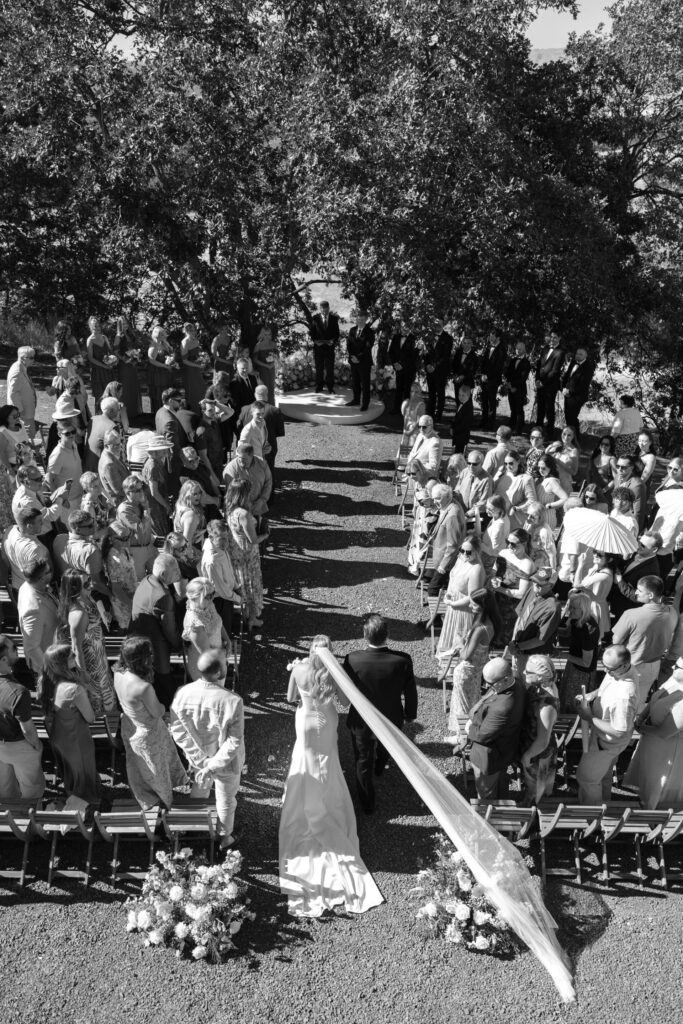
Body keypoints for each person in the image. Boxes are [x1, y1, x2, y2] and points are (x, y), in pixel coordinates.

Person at [280, 635, 384, 917]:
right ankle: (328, 792)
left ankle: (305, 789)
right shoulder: (332, 675)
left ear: (310, 651)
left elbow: (291, 698)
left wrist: (297, 672)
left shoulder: (300, 671)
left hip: (306, 722)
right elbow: (344, 700)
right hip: (328, 722)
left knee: (306, 755)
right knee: (328, 758)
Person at [170, 648, 245, 848]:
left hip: (198, 760)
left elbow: (177, 730)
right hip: (226, 764)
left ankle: (193, 824)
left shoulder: (182, 693)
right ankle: (224, 836)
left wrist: (201, 759)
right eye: (226, 664)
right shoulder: (233, 701)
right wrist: (211, 765)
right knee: (226, 799)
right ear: (221, 672)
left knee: (200, 786)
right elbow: (234, 742)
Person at [343, 615, 417, 814]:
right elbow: (410, 691)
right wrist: (410, 714)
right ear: (388, 636)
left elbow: (347, 689)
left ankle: (367, 804)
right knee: (387, 746)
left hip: (361, 721)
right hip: (391, 717)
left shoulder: (353, 659)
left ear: (364, 635)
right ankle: (381, 765)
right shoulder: (402, 660)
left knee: (361, 760)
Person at [114, 636, 188, 810]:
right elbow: (157, 712)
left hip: (129, 726)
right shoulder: (143, 687)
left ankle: (148, 799)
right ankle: (165, 809)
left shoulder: (118, 672)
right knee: (157, 771)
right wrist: (166, 705)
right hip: (148, 733)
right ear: (144, 659)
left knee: (141, 770)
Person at [38, 643, 101, 806]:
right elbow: (90, 718)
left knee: (71, 771)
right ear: (62, 664)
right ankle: (86, 806)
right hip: (76, 737)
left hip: (59, 735)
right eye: (72, 656)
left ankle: (73, 797)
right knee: (83, 771)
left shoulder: (47, 681)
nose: (76, 655)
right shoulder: (74, 690)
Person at [575, 644, 638, 804]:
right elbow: (607, 684)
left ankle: (592, 819)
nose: (606, 671)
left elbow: (619, 731)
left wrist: (589, 718)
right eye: (604, 665)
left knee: (587, 778)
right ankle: (604, 804)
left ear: (624, 665)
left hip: (606, 743)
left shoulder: (624, 697)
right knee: (604, 774)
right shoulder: (622, 670)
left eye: (610, 668)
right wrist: (592, 695)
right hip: (606, 739)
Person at [55, 569, 117, 717]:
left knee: (105, 694)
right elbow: (76, 647)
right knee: (98, 698)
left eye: (89, 580)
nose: (91, 585)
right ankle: (103, 730)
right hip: (91, 663)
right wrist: (83, 674)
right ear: (75, 588)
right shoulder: (78, 613)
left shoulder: (88, 598)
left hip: (99, 655)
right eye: (86, 583)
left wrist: (104, 616)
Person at [612, 575, 678, 710]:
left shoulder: (631, 614)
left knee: (619, 706)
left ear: (651, 595)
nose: (636, 592)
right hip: (654, 666)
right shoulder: (672, 612)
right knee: (637, 705)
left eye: (640, 590)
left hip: (630, 667)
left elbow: (616, 642)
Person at [624, 659, 683, 809]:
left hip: (669, 750)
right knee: (648, 778)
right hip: (652, 741)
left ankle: (657, 818)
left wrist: (642, 728)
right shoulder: (674, 680)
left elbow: (666, 732)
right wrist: (642, 717)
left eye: (677, 666)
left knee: (660, 783)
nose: (672, 667)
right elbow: (655, 698)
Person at [465, 656, 526, 799]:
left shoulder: (502, 707)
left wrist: (469, 728)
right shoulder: (515, 681)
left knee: (486, 794)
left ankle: (487, 818)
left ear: (505, 679)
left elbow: (481, 735)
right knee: (500, 784)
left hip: (489, 756)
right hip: (504, 748)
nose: (487, 687)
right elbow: (488, 696)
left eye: (491, 684)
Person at [443, 588, 497, 747]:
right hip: (476, 671)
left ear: (483, 606)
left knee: (462, 705)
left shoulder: (480, 628)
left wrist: (460, 646)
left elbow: (466, 654)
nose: (471, 607)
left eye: (474, 604)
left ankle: (461, 738)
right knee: (472, 702)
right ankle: (465, 735)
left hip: (466, 670)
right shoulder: (490, 623)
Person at [129, 553, 182, 709]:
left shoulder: (147, 580)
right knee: (163, 676)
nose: (179, 574)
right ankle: (170, 705)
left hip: (138, 633)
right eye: (176, 571)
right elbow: (169, 629)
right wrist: (179, 644)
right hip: (153, 641)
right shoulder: (163, 596)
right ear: (164, 574)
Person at [0, 635, 44, 806]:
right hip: (19, 745)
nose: (18, 649)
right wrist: (36, 745)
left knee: (4, 791)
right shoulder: (19, 691)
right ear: (4, 659)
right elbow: (27, 729)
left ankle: (10, 824)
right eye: (14, 648)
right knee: (32, 790)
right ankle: (32, 826)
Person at [436, 534, 486, 663]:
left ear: (477, 551)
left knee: (459, 641)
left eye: (468, 552)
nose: (464, 554)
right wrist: (448, 592)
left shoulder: (476, 569)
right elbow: (452, 577)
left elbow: (472, 597)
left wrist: (452, 603)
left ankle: (455, 670)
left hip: (463, 611)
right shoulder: (461, 559)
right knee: (451, 637)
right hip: (454, 604)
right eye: (462, 550)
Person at [225, 479, 265, 631]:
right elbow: (253, 539)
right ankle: (253, 618)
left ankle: (246, 615)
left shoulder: (229, 509)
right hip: (247, 554)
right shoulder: (243, 514)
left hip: (235, 551)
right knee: (251, 586)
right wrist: (265, 535)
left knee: (242, 584)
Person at [519, 655, 560, 804]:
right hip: (532, 743)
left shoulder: (546, 706)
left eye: (528, 672)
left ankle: (533, 817)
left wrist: (527, 756)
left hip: (538, 753)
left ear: (541, 676)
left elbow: (543, 740)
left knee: (536, 789)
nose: (524, 673)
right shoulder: (543, 687)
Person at [507, 566, 562, 678]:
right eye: (534, 582)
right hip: (517, 648)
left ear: (551, 585)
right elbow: (520, 618)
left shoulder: (552, 607)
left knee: (527, 686)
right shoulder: (532, 590)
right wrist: (513, 642)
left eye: (540, 584)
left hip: (532, 657)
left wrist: (517, 647)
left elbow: (540, 640)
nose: (536, 585)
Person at [421, 483, 466, 607]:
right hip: (441, 555)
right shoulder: (451, 504)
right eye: (434, 498)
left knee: (432, 589)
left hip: (445, 561)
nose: (435, 502)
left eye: (438, 498)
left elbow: (453, 545)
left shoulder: (452, 515)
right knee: (442, 586)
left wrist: (443, 566)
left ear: (447, 497)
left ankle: (435, 621)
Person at [558, 589, 600, 711]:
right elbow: (567, 632)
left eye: (573, 608)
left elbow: (586, 663)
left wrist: (563, 655)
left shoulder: (589, 630)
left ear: (584, 609)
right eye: (569, 607)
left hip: (582, 673)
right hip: (573, 664)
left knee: (574, 706)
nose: (570, 610)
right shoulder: (576, 619)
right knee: (565, 700)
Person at [490, 530, 535, 643]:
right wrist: (495, 579)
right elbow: (494, 571)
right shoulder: (503, 553)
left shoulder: (526, 564)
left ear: (524, 544)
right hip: (496, 599)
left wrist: (499, 589)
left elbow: (520, 594)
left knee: (504, 636)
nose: (509, 546)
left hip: (511, 607)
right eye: (507, 541)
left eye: (513, 544)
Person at [18, 557, 59, 678]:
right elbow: (32, 648)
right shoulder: (33, 610)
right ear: (41, 579)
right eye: (48, 571)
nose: (51, 572)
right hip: (49, 665)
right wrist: (50, 672)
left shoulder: (29, 585)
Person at [235, 384, 284, 485]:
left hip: (260, 451)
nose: (261, 417)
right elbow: (279, 432)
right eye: (258, 414)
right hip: (257, 455)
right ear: (267, 395)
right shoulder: (275, 410)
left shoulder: (245, 409)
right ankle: (269, 498)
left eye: (262, 414)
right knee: (267, 477)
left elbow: (238, 426)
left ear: (255, 395)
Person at [182, 577, 229, 681]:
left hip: (219, 656)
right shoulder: (195, 624)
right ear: (194, 597)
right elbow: (208, 655)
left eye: (213, 594)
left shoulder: (207, 604)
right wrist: (224, 654)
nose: (212, 598)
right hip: (207, 667)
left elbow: (217, 622)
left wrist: (227, 640)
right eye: (208, 596)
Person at [200, 519, 239, 637]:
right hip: (220, 600)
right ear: (211, 537)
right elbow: (221, 589)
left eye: (227, 537)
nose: (226, 542)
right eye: (222, 538)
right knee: (223, 634)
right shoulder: (212, 560)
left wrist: (236, 586)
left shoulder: (219, 548)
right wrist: (238, 598)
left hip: (227, 595)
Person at [61, 509, 112, 601]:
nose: (94, 526)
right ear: (77, 529)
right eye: (89, 526)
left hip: (78, 594)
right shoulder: (90, 550)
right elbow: (97, 583)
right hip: (97, 596)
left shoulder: (62, 541)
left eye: (93, 521)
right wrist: (114, 596)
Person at [610, 531, 662, 619]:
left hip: (626, 610)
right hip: (616, 602)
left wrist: (620, 582)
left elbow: (638, 596)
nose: (638, 546)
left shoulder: (651, 571)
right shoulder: (638, 553)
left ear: (654, 549)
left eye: (643, 545)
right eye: (639, 542)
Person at [223, 441, 272, 529]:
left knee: (257, 530)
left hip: (258, 506)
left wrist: (262, 500)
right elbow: (231, 495)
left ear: (252, 455)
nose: (240, 461)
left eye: (244, 459)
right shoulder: (230, 469)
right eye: (238, 457)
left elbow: (268, 482)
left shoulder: (262, 463)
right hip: (239, 510)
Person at [12, 464, 69, 537]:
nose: (42, 482)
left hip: (44, 533)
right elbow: (51, 516)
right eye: (38, 480)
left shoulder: (28, 489)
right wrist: (60, 498)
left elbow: (40, 501)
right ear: (26, 482)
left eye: (42, 478)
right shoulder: (27, 501)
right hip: (41, 537)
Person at [4, 506, 51, 594]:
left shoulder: (10, 531)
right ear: (29, 526)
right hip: (33, 593)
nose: (43, 523)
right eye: (39, 521)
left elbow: (4, 558)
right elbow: (39, 578)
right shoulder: (35, 549)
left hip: (17, 588)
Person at [116, 474, 155, 579]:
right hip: (136, 551)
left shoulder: (139, 503)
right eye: (137, 491)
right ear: (128, 493)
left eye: (141, 488)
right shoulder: (124, 510)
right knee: (140, 583)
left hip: (149, 546)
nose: (141, 492)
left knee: (159, 576)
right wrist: (146, 509)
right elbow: (140, 528)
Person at [155, 387, 190, 499]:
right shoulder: (169, 420)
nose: (181, 403)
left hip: (165, 460)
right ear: (170, 401)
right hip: (172, 464)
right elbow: (173, 447)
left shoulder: (160, 411)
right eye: (178, 401)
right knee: (176, 494)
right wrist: (184, 461)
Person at [103, 521, 138, 629]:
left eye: (129, 536)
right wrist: (133, 606)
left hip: (133, 596)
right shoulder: (113, 559)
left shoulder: (124, 549)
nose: (128, 541)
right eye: (123, 538)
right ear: (112, 539)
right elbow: (116, 589)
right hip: (125, 603)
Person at [405, 461, 438, 575]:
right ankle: (417, 566)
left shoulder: (431, 483)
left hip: (430, 515)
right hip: (421, 513)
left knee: (427, 542)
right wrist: (415, 509)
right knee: (418, 539)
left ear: (421, 470)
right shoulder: (417, 481)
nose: (411, 476)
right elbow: (416, 497)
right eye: (408, 474)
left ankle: (426, 571)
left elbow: (438, 500)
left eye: (413, 473)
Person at [493, 448, 537, 530]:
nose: (508, 466)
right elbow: (492, 488)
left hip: (514, 519)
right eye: (505, 463)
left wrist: (516, 508)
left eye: (511, 463)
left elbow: (532, 501)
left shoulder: (526, 479)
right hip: (498, 517)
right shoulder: (503, 475)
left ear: (518, 462)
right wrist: (498, 473)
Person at [577, 550, 616, 639]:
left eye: (600, 555)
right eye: (594, 552)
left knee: (592, 637)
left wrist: (580, 565)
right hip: (595, 605)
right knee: (591, 636)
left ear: (609, 560)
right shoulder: (597, 568)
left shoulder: (603, 575)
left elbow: (577, 585)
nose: (595, 555)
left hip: (594, 608)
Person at [141, 434, 173, 535]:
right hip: (155, 505)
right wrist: (166, 505)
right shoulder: (152, 466)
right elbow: (154, 492)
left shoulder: (157, 461)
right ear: (154, 451)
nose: (165, 451)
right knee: (161, 534)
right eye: (162, 449)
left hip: (158, 503)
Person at [114, 315, 144, 421]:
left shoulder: (130, 335)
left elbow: (134, 348)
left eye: (126, 323)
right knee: (125, 387)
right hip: (124, 366)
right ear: (119, 325)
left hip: (132, 365)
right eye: (123, 324)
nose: (125, 326)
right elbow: (116, 351)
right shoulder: (118, 336)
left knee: (133, 386)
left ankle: (134, 412)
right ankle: (126, 414)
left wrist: (136, 356)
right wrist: (125, 359)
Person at [534, 331, 565, 434]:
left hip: (550, 385)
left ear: (559, 338)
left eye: (555, 337)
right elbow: (539, 365)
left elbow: (555, 371)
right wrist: (537, 380)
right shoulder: (545, 349)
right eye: (551, 337)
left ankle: (549, 432)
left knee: (549, 409)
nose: (552, 339)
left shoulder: (560, 352)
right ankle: (538, 429)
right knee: (540, 408)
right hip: (540, 383)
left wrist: (543, 382)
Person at [47, 422, 83, 507]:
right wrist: (61, 500)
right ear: (59, 434)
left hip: (78, 496)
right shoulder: (57, 454)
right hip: (67, 502)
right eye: (67, 433)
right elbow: (49, 480)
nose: (71, 435)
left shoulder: (74, 445)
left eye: (73, 432)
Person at [423, 320, 453, 421]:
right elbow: (426, 353)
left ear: (443, 325)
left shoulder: (448, 338)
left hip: (440, 370)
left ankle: (438, 414)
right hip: (429, 370)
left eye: (439, 324)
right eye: (435, 324)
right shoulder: (428, 337)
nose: (437, 326)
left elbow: (445, 356)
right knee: (431, 392)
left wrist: (434, 366)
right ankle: (430, 412)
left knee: (440, 393)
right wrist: (427, 365)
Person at [561, 347, 594, 439]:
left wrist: (570, 391)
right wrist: (563, 388)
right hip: (567, 394)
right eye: (577, 353)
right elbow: (566, 377)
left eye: (581, 354)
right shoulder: (573, 363)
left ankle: (575, 437)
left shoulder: (589, 367)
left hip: (578, 396)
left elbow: (584, 384)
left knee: (572, 416)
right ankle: (569, 436)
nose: (578, 355)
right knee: (568, 416)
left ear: (585, 356)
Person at [6, 346, 37, 438]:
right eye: (31, 358)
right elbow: (13, 393)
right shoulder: (17, 371)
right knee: (26, 438)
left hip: (26, 413)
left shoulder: (21, 367)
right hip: (23, 415)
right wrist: (19, 412)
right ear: (23, 358)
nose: (33, 360)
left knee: (28, 437)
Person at [346, 311, 374, 411]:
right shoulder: (352, 330)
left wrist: (358, 358)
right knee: (355, 381)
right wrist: (353, 357)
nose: (359, 321)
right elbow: (349, 344)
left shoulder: (370, 332)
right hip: (353, 360)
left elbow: (368, 347)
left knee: (365, 383)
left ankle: (365, 403)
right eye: (358, 319)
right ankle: (356, 399)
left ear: (366, 320)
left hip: (364, 361)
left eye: (362, 319)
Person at [610, 454, 647, 531]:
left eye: (623, 467)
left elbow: (638, 512)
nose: (619, 469)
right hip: (616, 516)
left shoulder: (637, 485)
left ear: (631, 468)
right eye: (617, 466)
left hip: (627, 522)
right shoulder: (617, 477)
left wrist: (635, 532)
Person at [477, 331, 506, 429]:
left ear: (498, 337)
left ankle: (490, 423)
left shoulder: (502, 349)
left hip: (493, 379)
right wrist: (482, 374)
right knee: (484, 400)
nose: (490, 337)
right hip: (484, 378)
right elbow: (484, 362)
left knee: (491, 401)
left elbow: (498, 366)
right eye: (490, 335)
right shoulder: (488, 347)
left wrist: (488, 376)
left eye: (492, 335)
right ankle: (483, 420)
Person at [456, 448, 492, 524]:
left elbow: (483, 502)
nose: (471, 466)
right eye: (469, 463)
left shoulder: (487, 479)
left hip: (474, 517)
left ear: (482, 463)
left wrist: (468, 514)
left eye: (475, 464)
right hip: (460, 511)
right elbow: (457, 490)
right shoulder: (465, 472)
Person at [310, 302, 340, 394]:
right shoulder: (315, 318)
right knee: (319, 368)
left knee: (329, 369)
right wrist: (315, 341)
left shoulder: (334, 319)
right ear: (320, 309)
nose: (324, 311)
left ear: (328, 308)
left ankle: (330, 387)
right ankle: (319, 386)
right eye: (323, 309)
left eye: (326, 309)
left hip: (329, 348)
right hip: (318, 348)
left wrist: (333, 341)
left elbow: (337, 334)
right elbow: (312, 333)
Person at [173, 479, 207, 557]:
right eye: (194, 494)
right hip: (191, 554)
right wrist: (191, 560)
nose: (198, 496)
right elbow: (186, 542)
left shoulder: (180, 506)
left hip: (183, 552)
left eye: (199, 493)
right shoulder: (190, 515)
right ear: (186, 495)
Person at [503, 340, 531, 434]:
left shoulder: (526, 362)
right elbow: (508, 373)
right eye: (517, 349)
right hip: (511, 387)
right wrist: (508, 383)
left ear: (524, 350)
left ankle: (518, 429)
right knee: (512, 408)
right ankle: (511, 424)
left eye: (520, 349)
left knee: (519, 409)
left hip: (519, 389)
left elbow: (523, 377)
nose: (518, 351)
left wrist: (514, 385)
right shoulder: (513, 360)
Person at [535, 454, 569, 530]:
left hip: (547, 518)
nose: (540, 470)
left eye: (543, 468)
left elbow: (565, 498)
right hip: (538, 518)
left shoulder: (552, 481)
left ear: (550, 467)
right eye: (539, 468)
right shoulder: (542, 479)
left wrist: (549, 505)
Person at [388, 328, 418, 414]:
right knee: (398, 389)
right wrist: (395, 363)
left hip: (409, 368)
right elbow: (391, 352)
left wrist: (402, 365)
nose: (404, 328)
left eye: (407, 326)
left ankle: (406, 410)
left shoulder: (414, 338)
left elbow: (414, 356)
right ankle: (396, 408)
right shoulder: (396, 337)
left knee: (407, 389)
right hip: (398, 368)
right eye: (403, 325)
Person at [147, 325, 176, 412]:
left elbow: (172, 352)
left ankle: (170, 410)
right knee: (159, 392)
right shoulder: (153, 345)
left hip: (166, 372)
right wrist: (165, 366)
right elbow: (152, 361)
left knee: (168, 391)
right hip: (158, 373)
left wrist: (172, 360)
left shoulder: (164, 343)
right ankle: (159, 412)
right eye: (163, 334)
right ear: (158, 335)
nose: (165, 336)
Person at [480, 494, 510, 574]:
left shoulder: (499, 525)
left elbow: (493, 551)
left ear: (500, 509)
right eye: (486, 507)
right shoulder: (501, 515)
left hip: (488, 557)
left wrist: (480, 543)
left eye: (490, 509)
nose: (487, 511)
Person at [180, 322, 207, 413]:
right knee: (193, 390)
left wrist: (203, 359)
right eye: (190, 330)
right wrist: (197, 365)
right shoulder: (184, 342)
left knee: (202, 387)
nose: (192, 332)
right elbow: (184, 360)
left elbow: (198, 353)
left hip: (197, 367)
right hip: (190, 369)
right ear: (186, 331)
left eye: (193, 330)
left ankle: (202, 409)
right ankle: (194, 410)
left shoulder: (195, 339)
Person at [98, 428, 128, 508]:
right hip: (121, 504)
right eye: (116, 445)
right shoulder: (109, 464)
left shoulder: (108, 454)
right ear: (106, 446)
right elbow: (119, 491)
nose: (120, 447)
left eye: (120, 443)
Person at [524, 502, 557, 570]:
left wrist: (553, 573)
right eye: (527, 514)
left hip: (541, 567)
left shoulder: (544, 531)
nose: (528, 518)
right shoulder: (529, 524)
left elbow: (552, 555)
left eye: (532, 516)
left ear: (540, 518)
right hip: (529, 562)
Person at [587, 436, 618, 502]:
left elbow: (616, 478)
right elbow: (588, 473)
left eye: (606, 444)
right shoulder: (594, 456)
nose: (604, 446)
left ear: (611, 446)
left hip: (605, 493)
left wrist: (604, 490)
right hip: (592, 491)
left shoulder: (612, 459)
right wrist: (589, 487)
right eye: (602, 444)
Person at [398, 382, 427, 448]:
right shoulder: (407, 402)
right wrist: (405, 429)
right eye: (412, 391)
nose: (413, 394)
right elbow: (405, 417)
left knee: (413, 449)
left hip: (415, 430)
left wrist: (411, 431)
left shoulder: (421, 404)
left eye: (416, 392)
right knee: (404, 451)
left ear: (420, 392)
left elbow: (419, 421)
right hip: (407, 429)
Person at [450, 384, 474, 454]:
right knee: (454, 452)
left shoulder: (468, 408)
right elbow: (456, 418)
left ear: (468, 396)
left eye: (463, 395)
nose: (461, 397)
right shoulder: (461, 404)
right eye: (459, 395)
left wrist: (455, 430)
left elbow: (465, 424)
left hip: (462, 436)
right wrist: (452, 427)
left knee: (459, 453)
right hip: (457, 435)